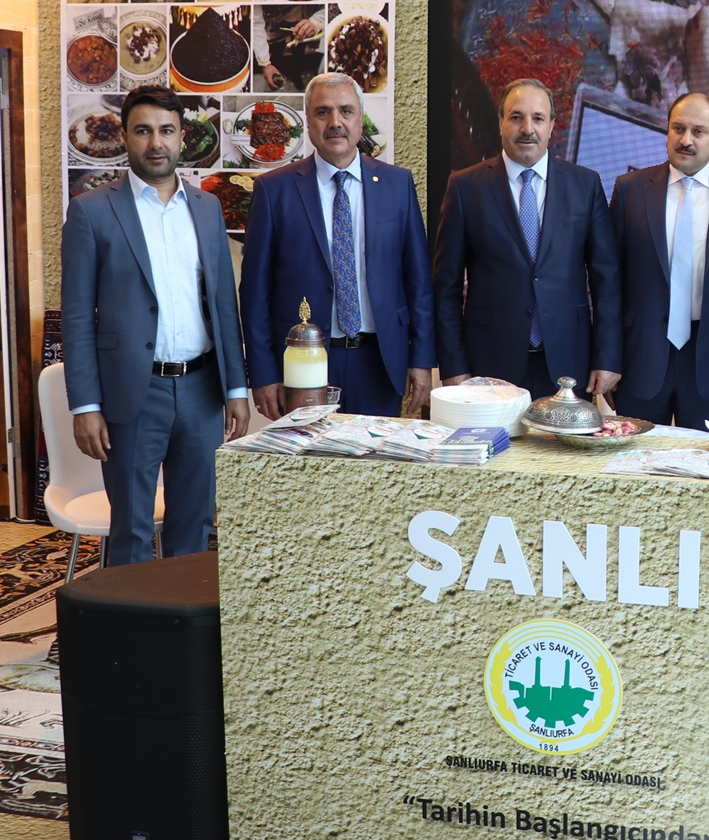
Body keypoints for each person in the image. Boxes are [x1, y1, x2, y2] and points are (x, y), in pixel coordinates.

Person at [60, 86, 249, 565]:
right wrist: (85, 405)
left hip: (202, 391)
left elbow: (223, 304)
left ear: (183, 137)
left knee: (196, 526)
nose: (156, 142)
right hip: (132, 394)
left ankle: (181, 616)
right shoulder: (91, 211)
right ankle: (131, 618)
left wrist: (236, 389)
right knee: (131, 531)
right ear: (125, 136)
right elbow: (77, 316)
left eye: (166, 130)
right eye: (143, 131)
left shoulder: (206, 207)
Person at [240, 72, 434, 418]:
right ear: (308, 122)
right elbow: (255, 291)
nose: (335, 122)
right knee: (308, 454)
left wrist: (421, 359)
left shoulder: (397, 184)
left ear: (361, 119)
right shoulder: (274, 190)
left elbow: (418, 280)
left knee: (375, 454)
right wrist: (263, 373)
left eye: (346, 111)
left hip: (380, 361)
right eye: (322, 112)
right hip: (303, 363)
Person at [434, 78, 622, 399]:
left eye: (538, 118)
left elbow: (607, 280)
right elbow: (445, 288)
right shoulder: (465, 188)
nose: (527, 129)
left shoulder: (585, 185)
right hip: (489, 365)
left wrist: (608, 357)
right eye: (516, 117)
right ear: (500, 122)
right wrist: (453, 366)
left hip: (568, 363)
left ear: (551, 126)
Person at [609, 93, 709, 431]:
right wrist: (608, 359)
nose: (686, 140)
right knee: (635, 460)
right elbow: (609, 283)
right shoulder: (630, 190)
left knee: (703, 460)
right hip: (641, 358)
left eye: (698, 131)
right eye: (678, 128)